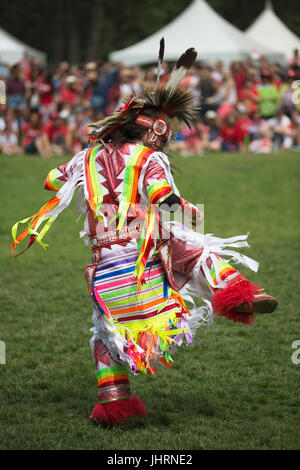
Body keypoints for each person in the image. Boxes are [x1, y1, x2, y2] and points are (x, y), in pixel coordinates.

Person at [11, 44, 278, 427]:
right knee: (193, 243)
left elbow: (50, 180)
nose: (164, 143)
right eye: (163, 137)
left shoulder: (85, 157)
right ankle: (238, 294)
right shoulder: (149, 158)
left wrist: (88, 162)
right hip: (142, 255)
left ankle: (113, 405)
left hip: (105, 270)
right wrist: (185, 209)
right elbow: (162, 198)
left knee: (105, 335)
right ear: (153, 131)